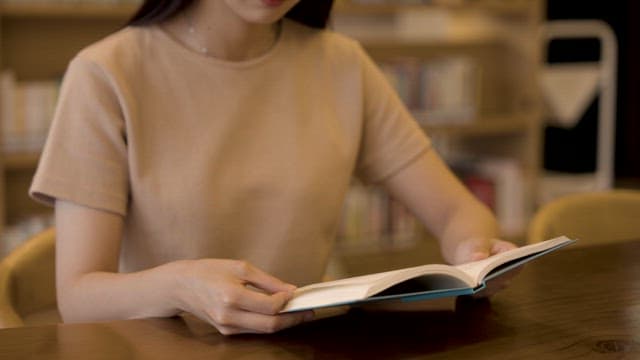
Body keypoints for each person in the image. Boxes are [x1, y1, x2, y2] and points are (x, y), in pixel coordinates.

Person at [29, 0, 517, 335]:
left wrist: (473, 254)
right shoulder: (106, 73)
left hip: (303, 345)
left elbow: (458, 213)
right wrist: (181, 287)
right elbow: (78, 295)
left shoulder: (342, 65)